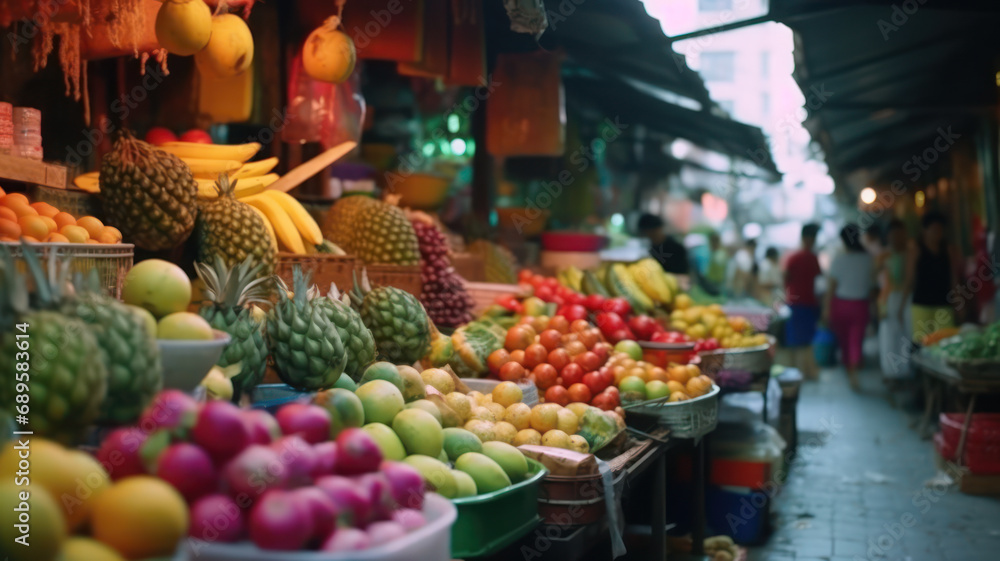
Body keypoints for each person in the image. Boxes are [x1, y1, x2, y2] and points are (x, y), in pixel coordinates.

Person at [823, 223, 875, 390]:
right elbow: (872, 285)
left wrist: (826, 309)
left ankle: (850, 369)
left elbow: (831, 287)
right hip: (860, 305)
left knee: (845, 341)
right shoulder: (868, 259)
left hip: (841, 305)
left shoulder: (838, 260)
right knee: (856, 339)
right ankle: (854, 370)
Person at [901, 211, 960, 341]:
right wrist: (902, 305)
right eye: (934, 230)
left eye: (940, 230)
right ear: (924, 230)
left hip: (944, 303)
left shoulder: (948, 250)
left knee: (945, 342)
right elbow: (910, 278)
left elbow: (953, 278)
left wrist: (958, 302)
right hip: (921, 303)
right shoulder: (916, 250)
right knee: (921, 344)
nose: (937, 233)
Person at [784, 223, 822, 380]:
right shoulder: (808, 258)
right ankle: (804, 371)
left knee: (799, 340)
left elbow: (785, 278)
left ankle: (801, 371)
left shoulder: (797, 257)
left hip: (800, 304)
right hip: (802, 304)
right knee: (803, 340)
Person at [878, 220, 912, 382]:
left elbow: (910, 279)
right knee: (889, 336)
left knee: (906, 335)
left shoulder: (911, 253)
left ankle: (906, 372)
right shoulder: (883, 255)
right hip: (888, 299)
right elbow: (877, 282)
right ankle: (891, 373)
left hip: (907, 298)